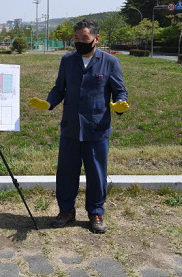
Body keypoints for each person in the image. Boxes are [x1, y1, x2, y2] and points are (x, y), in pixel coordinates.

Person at [29, 19, 129, 234]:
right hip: (71, 126)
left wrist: (119, 105)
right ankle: (66, 211)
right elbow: (59, 88)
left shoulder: (110, 61)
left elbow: (120, 91)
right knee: (66, 172)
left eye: (85, 38)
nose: (80, 42)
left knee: (97, 172)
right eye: (76, 38)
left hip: (97, 127)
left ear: (96, 38)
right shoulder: (67, 61)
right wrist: (49, 102)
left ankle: (95, 212)